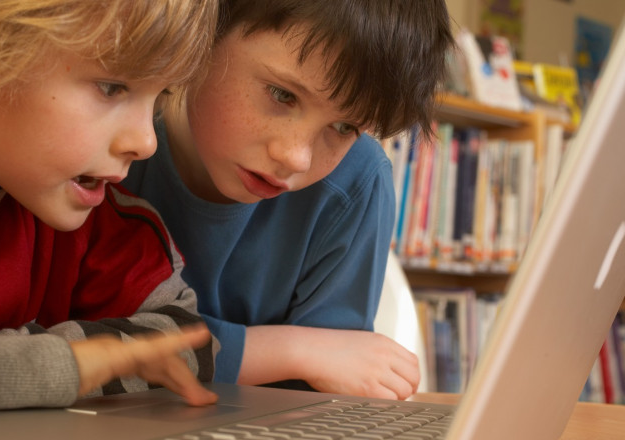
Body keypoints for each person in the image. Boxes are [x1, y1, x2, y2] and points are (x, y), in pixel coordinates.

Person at [0, 0, 219, 422]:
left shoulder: (96, 218)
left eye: (158, 99)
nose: (147, 141)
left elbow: (185, 340)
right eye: (112, 86)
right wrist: (63, 365)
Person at [123, 0, 454, 399]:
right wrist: (292, 349)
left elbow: (331, 381)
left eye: (344, 126)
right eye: (281, 94)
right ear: (203, 33)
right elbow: (77, 344)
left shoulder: (356, 183)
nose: (296, 157)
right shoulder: (113, 140)